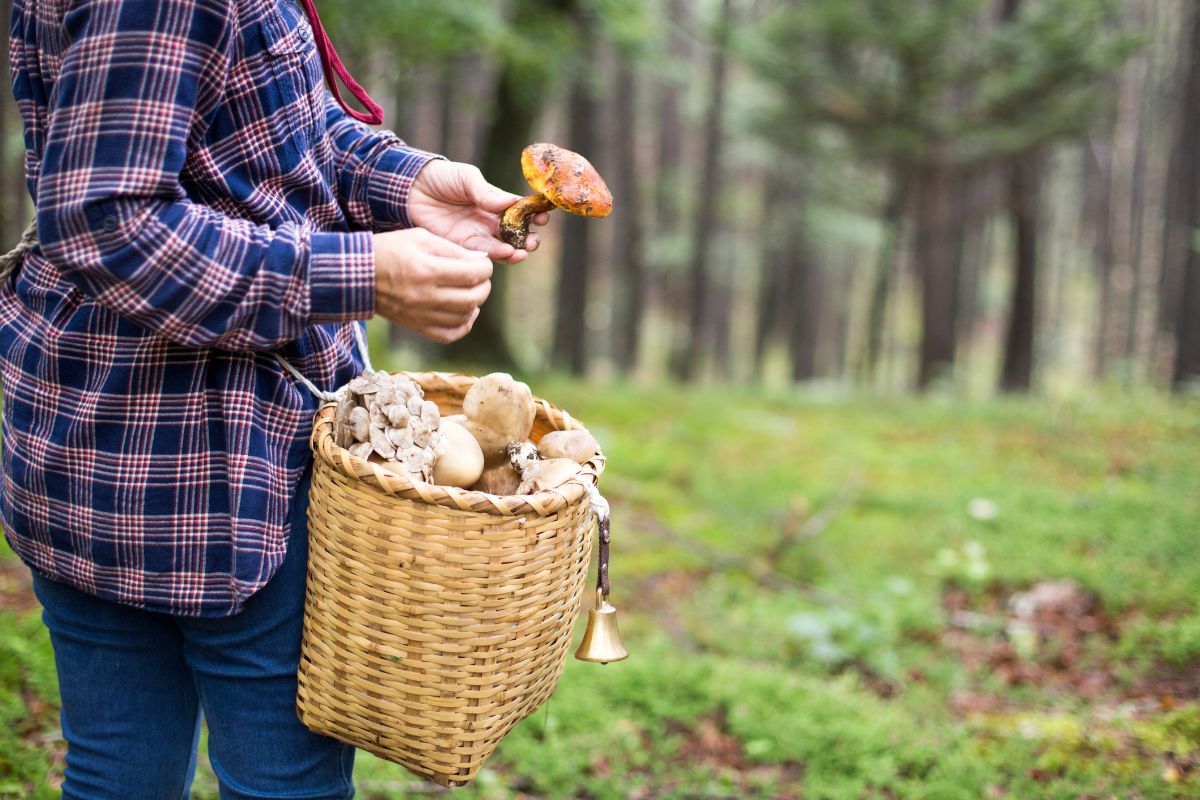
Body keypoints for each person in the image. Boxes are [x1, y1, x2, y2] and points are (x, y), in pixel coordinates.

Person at [0, 0, 546, 796]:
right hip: (224, 470)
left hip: (81, 442)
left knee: (118, 769)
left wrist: (408, 182)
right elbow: (106, 223)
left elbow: (264, 127)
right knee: (281, 782)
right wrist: (361, 274)